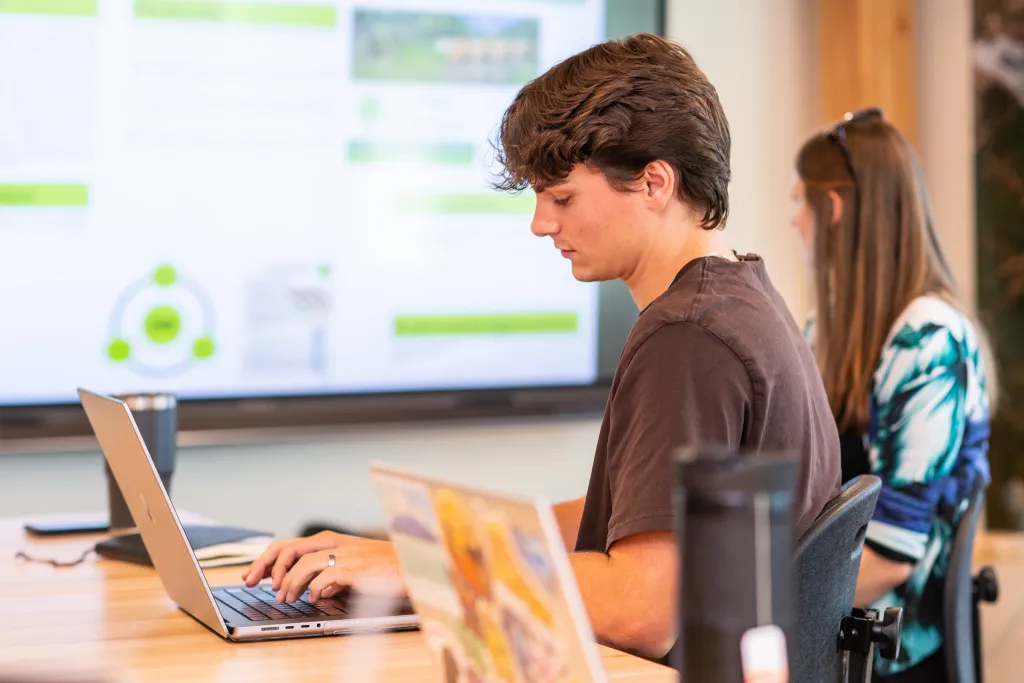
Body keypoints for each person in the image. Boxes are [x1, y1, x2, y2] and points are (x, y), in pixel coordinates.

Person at [242, 32, 841, 663]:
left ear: (654, 182)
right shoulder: (742, 295)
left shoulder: (687, 338)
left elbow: (642, 611)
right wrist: (416, 547)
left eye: (563, 198)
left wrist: (420, 570)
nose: (541, 223)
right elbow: (632, 517)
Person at [791, 108, 997, 682]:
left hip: (898, 656)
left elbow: (890, 555)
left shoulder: (929, 341)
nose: (792, 219)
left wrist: (766, 612)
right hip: (838, 638)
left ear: (831, 210)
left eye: (797, 201)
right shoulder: (824, 331)